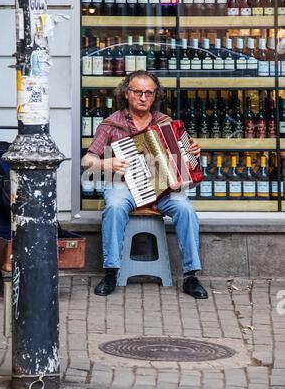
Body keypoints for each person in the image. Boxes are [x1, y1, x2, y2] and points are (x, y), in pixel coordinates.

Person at [81, 70, 208, 299]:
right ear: (126, 93)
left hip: (163, 191)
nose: (143, 97)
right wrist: (106, 163)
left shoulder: (166, 123)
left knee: (186, 209)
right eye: (138, 92)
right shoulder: (111, 125)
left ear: (155, 95)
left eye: (149, 93)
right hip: (125, 187)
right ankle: (111, 271)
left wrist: (192, 152)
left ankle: (191, 276)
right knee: (115, 206)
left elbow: (184, 159)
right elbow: (87, 160)